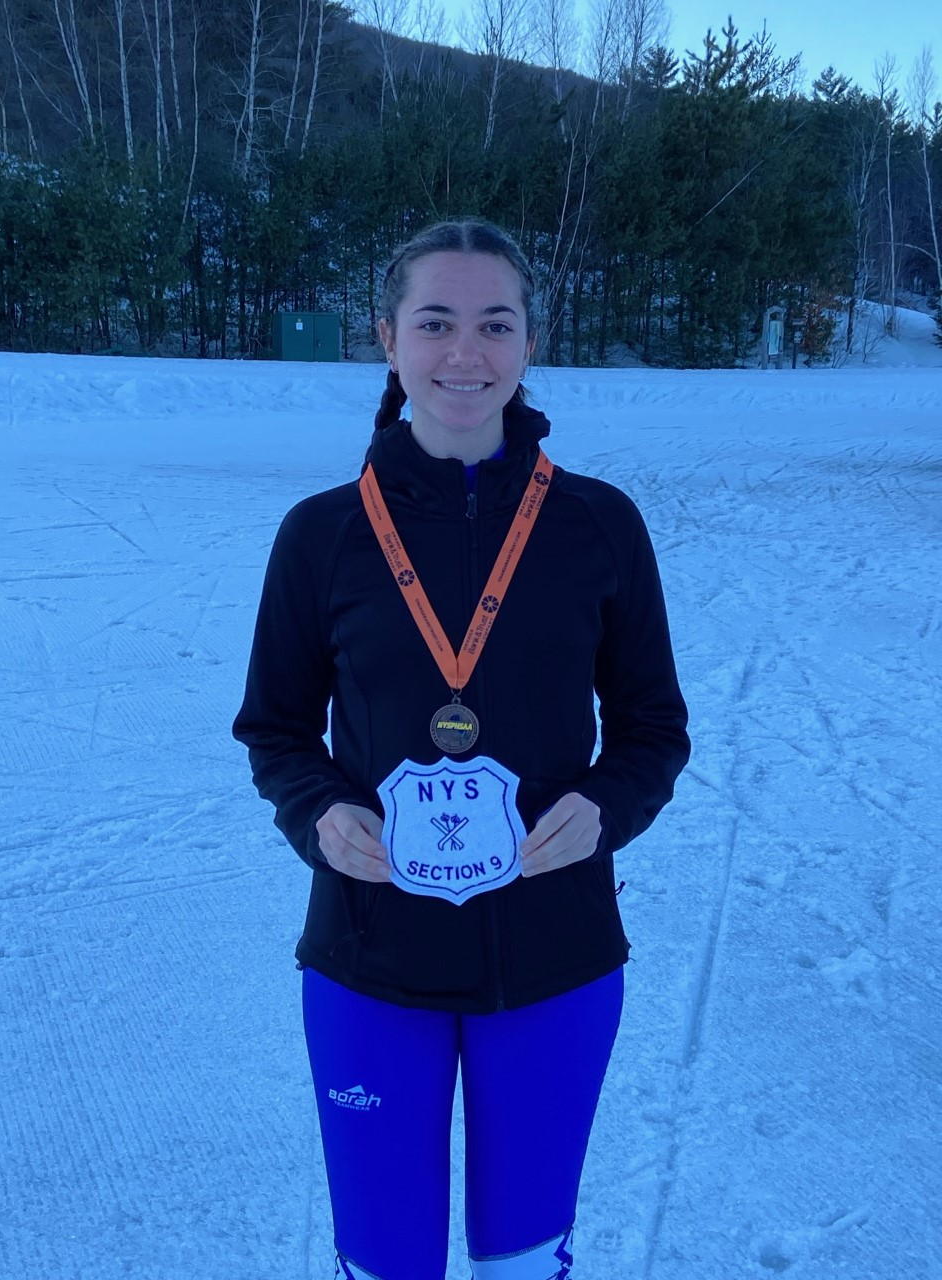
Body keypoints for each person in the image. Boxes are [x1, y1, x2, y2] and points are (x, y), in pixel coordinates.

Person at [232, 219, 690, 1280]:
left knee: (523, 1261)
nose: (464, 354)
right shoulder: (323, 533)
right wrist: (316, 812)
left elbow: (654, 727)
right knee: (387, 1262)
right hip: (370, 959)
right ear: (388, 337)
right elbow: (277, 728)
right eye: (435, 322)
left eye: (495, 323)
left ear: (530, 343)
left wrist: (608, 804)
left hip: (556, 958)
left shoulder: (599, 525)